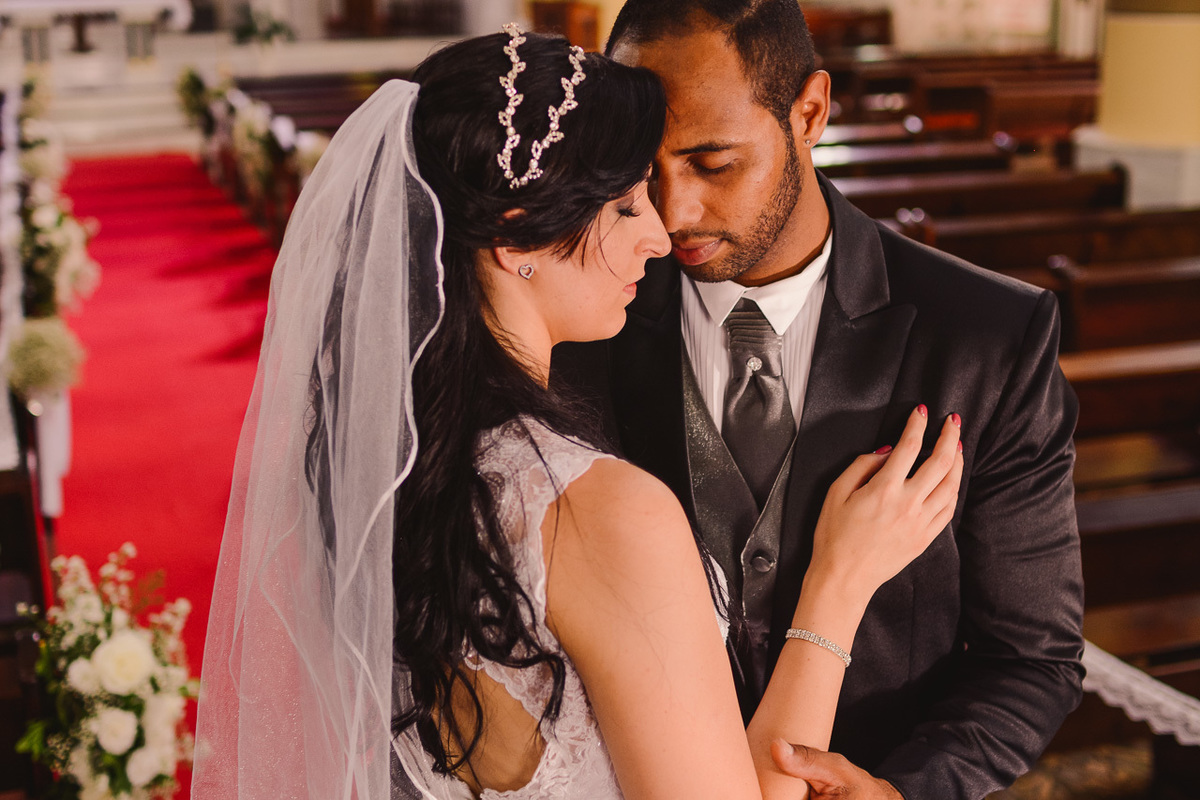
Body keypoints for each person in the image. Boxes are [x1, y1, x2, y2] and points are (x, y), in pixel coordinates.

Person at [191, 26, 963, 800]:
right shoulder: (597, 513)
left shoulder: (386, 458)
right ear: (517, 233)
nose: (660, 236)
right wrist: (839, 583)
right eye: (627, 207)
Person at [553, 1, 1087, 798]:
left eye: (712, 161)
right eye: (645, 168)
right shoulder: (582, 323)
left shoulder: (989, 337)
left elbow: (1034, 659)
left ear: (809, 112)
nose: (672, 213)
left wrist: (905, 791)